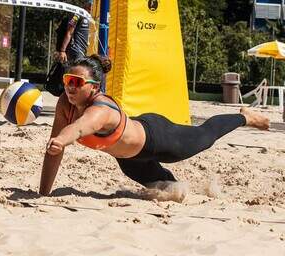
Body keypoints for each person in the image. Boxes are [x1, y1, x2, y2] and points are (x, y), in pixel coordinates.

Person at [39, 54, 270, 202]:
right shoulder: (65, 104)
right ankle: (193, 191)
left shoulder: (100, 110)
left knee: (204, 136)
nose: (70, 87)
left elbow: (78, 129)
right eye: (68, 80)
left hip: (157, 138)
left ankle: (243, 117)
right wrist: (43, 194)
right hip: (129, 161)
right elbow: (54, 153)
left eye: (77, 83)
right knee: (172, 191)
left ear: (95, 87)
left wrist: (61, 139)